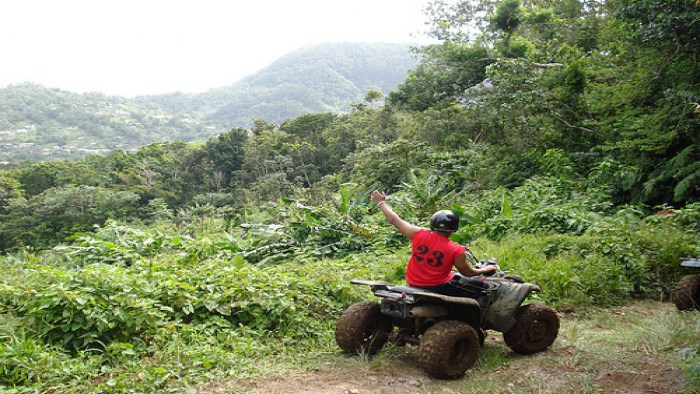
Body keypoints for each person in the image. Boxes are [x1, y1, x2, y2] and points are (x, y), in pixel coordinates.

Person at [371, 190, 496, 298]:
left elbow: (395, 220)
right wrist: (485, 269)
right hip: (438, 287)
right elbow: (468, 273)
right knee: (484, 288)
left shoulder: (418, 234)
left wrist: (381, 202)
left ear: (432, 224)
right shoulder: (456, 250)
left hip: (413, 283)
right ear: (454, 229)